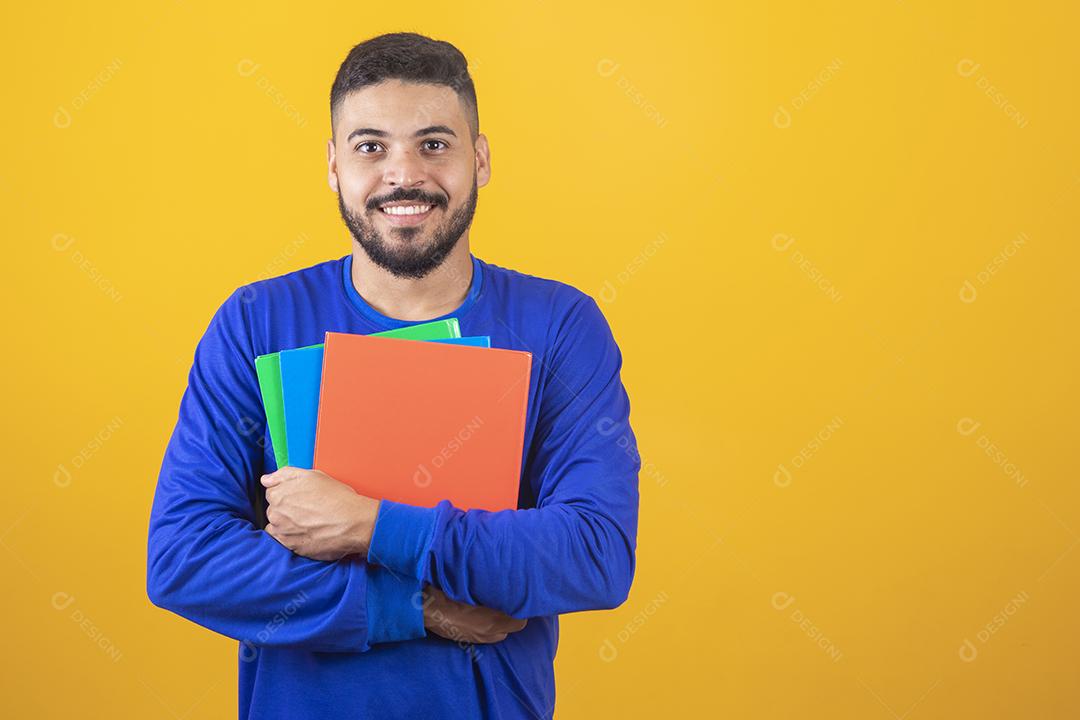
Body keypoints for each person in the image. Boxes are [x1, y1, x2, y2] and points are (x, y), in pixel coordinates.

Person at [146, 31, 640, 720]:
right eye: (370, 146)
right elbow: (186, 560)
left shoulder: (560, 324)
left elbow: (592, 554)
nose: (403, 175)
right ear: (332, 165)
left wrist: (370, 526)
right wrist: (413, 606)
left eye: (434, 143)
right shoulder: (256, 321)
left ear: (482, 158)